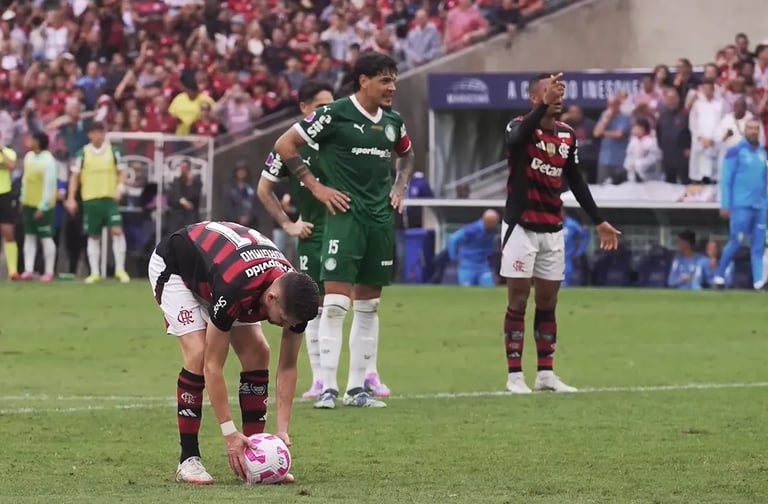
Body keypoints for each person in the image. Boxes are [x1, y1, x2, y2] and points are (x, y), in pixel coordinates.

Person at [274, 52, 415, 409]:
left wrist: (400, 187)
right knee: (335, 304)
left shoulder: (393, 121)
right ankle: (327, 388)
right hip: (345, 218)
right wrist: (316, 188)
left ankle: (356, 390)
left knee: (368, 307)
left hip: (380, 221)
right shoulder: (333, 114)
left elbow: (408, 155)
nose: (391, 87)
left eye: (394, 80)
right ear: (363, 81)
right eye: (385, 80)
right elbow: (284, 144)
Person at [148, 221, 319, 484]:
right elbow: (212, 366)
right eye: (283, 319)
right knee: (199, 353)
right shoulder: (236, 289)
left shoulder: (295, 296)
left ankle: (256, 456)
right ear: (271, 298)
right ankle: (188, 460)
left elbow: (287, 366)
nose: (286, 326)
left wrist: (282, 430)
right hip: (176, 268)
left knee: (258, 352)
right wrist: (229, 433)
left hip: (221, 273)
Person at [501, 73, 620, 394]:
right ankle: (514, 376)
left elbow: (577, 181)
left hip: (552, 227)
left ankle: (545, 374)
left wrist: (599, 220)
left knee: (548, 301)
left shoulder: (568, 135)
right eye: (548, 92)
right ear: (534, 98)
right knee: (518, 299)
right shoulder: (518, 127)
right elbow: (515, 142)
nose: (556, 96)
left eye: (559, 92)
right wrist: (541, 106)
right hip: (520, 227)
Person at [259, 80, 360, 400]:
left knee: (347, 303)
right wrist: (289, 225)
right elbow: (264, 189)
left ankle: (361, 376)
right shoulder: (293, 145)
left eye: (331, 105)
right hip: (313, 234)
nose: (327, 112)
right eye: (320, 107)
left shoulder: (341, 138)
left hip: (345, 232)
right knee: (312, 307)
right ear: (304, 108)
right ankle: (320, 378)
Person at [65, 122, 130, 283]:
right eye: (95, 132)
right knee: (93, 235)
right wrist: (71, 197)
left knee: (117, 230)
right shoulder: (83, 153)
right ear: (90, 135)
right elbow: (75, 176)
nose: (98, 135)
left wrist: (120, 187)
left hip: (109, 198)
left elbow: (121, 172)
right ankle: (94, 272)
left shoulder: (113, 151)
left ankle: (120, 270)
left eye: (101, 132)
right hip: (91, 199)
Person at [714, 119, 767, 290]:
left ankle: (758, 282)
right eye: (751, 128)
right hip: (740, 205)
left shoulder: (763, 154)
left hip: (759, 206)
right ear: (745, 130)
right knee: (736, 241)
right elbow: (726, 179)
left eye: (756, 129)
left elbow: (764, 181)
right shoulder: (735, 151)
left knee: (758, 245)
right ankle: (719, 276)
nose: (753, 131)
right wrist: (725, 204)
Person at [19, 131, 58, 281]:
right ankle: (29, 269)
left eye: (32, 138)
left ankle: (49, 271)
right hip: (29, 202)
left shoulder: (48, 161)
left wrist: (43, 206)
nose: (28, 141)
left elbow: (50, 184)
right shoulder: (28, 157)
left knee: (46, 237)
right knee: (29, 236)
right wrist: (23, 198)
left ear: (38, 142)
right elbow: (25, 179)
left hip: (43, 205)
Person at [447, 209, 499, 287]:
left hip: (482, 265)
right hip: (467, 265)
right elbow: (453, 239)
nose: (495, 224)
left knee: (489, 287)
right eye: (493, 222)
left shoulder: (492, 230)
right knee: (467, 291)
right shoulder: (473, 229)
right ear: (486, 221)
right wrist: (453, 257)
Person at [0, 142, 18, 279]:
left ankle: (13, 271)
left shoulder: (9, 152)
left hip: (4, 195)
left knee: (8, 232)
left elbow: (11, 165)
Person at [563, 213, 589, 287]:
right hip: (552, 254)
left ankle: (565, 284)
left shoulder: (572, 224)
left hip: (567, 255)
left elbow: (585, 236)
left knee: (566, 269)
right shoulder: (552, 221)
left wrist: (579, 252)